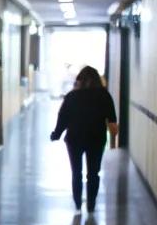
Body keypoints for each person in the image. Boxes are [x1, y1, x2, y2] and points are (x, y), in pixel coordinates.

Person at [50, 65, 117, 211]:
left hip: (74, 139)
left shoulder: (72, 96)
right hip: (96, 138)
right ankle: (91, 204)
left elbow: (63, 118)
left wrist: (56, 134)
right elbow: (112, 122)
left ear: (79, 80)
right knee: (93, 173)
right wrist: (113, 141)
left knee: (76, 172)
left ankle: (78, 203)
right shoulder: (104, 95)